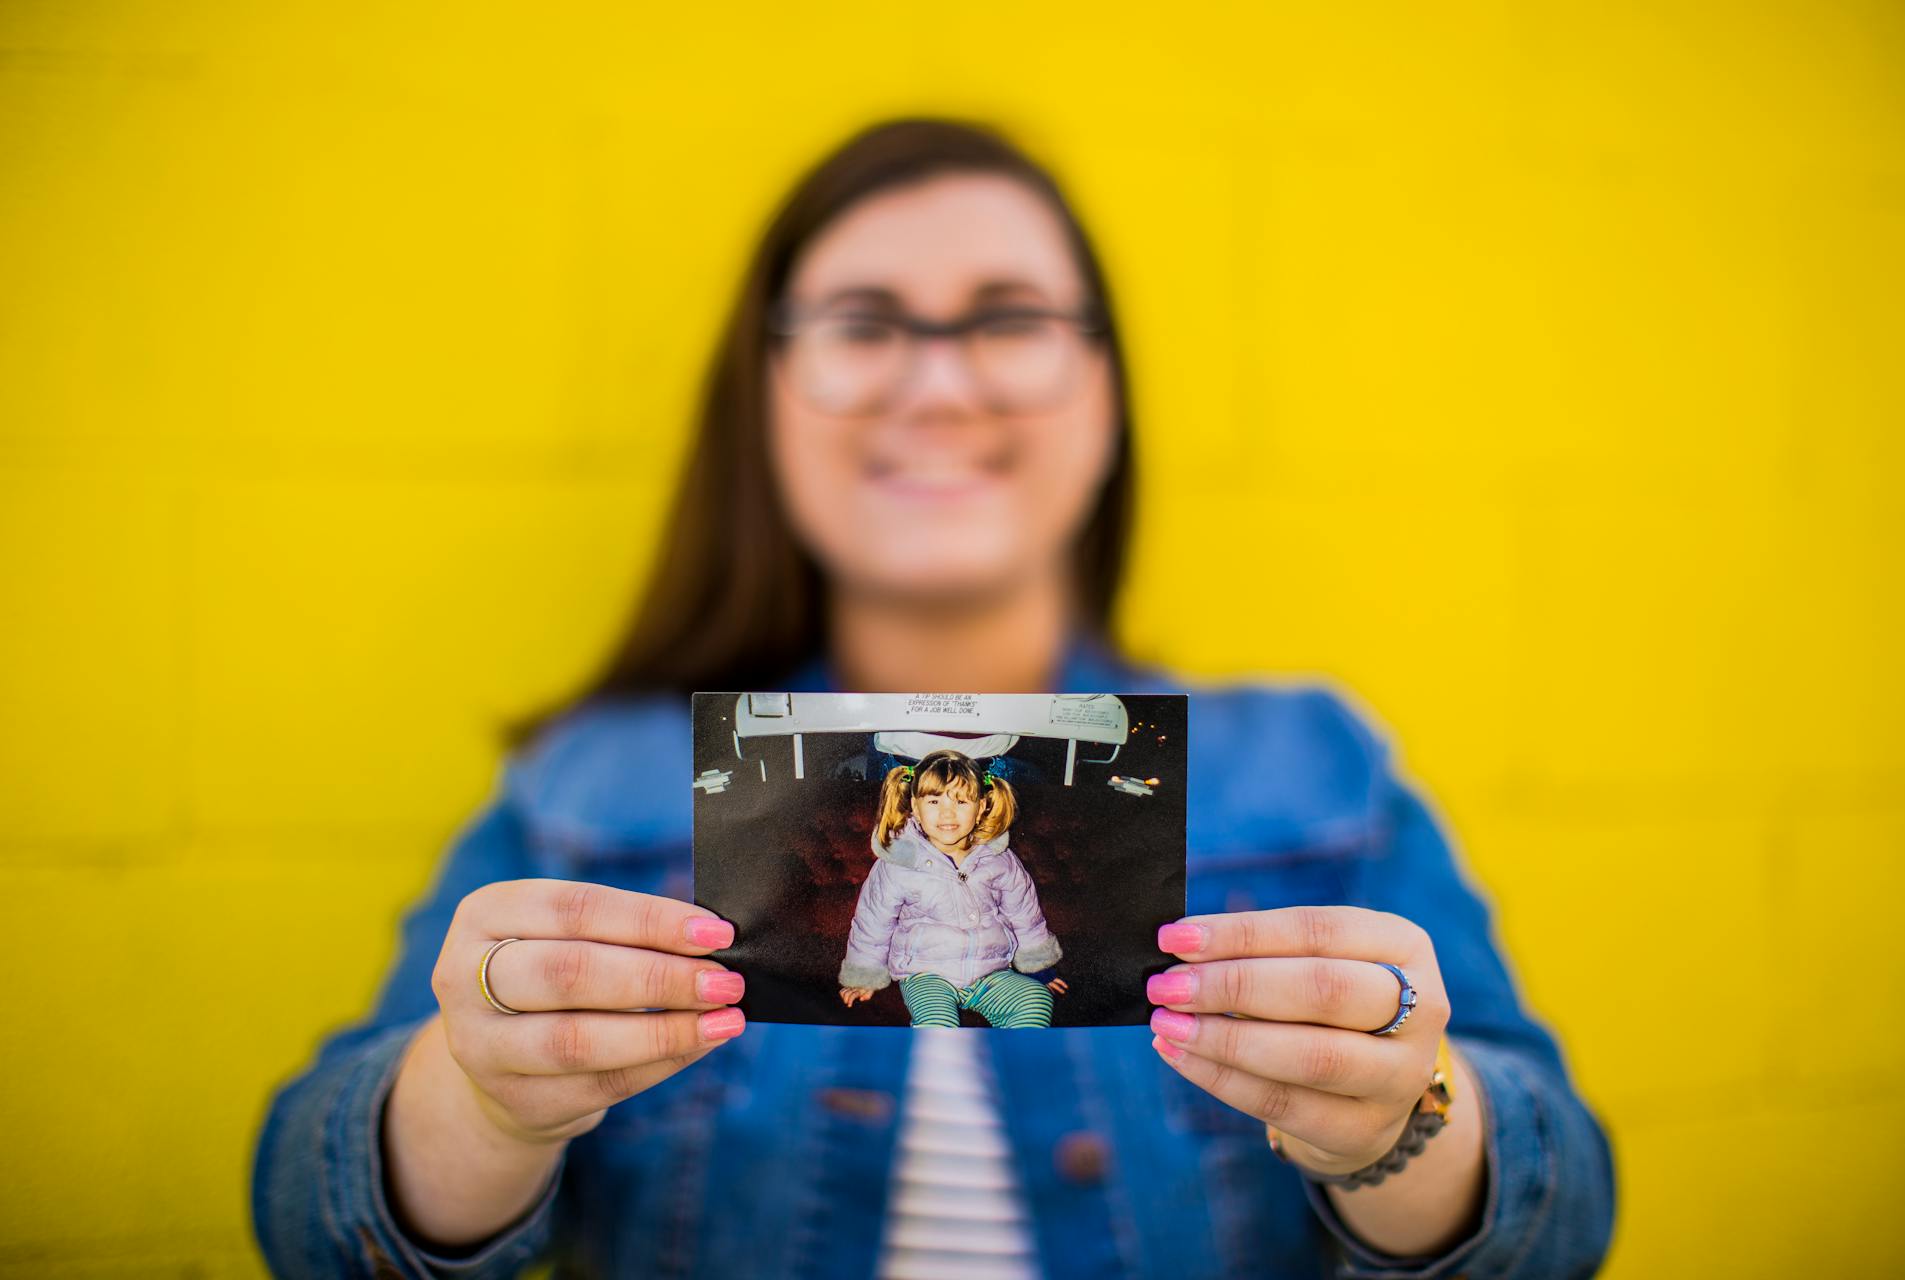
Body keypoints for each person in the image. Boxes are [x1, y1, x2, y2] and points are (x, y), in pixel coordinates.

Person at [251, 116, 1615, 1279]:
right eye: (863, 325)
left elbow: (1568, 1212)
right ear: (769, 393)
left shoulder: (1315, 773)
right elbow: (310, 1214)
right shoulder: (587, 791)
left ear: (1104, 394)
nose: (939, 383)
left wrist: (1405, 1124)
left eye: (1008, 319)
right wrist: (480, 1105)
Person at [838, 750, 1067, 1028]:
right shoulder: (899, 862)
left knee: (1035, 998)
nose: (947, 813)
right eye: (934, 801)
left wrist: (1039, 965)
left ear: (982, 806)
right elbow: (872, 921)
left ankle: (1015, 1063)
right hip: (926, 974)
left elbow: (1024, 912)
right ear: (915, 807)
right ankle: (939, 1066)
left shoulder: (999, 858)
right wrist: (864, 976)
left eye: (961, 801)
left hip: (990, 971)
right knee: (937, 1022)